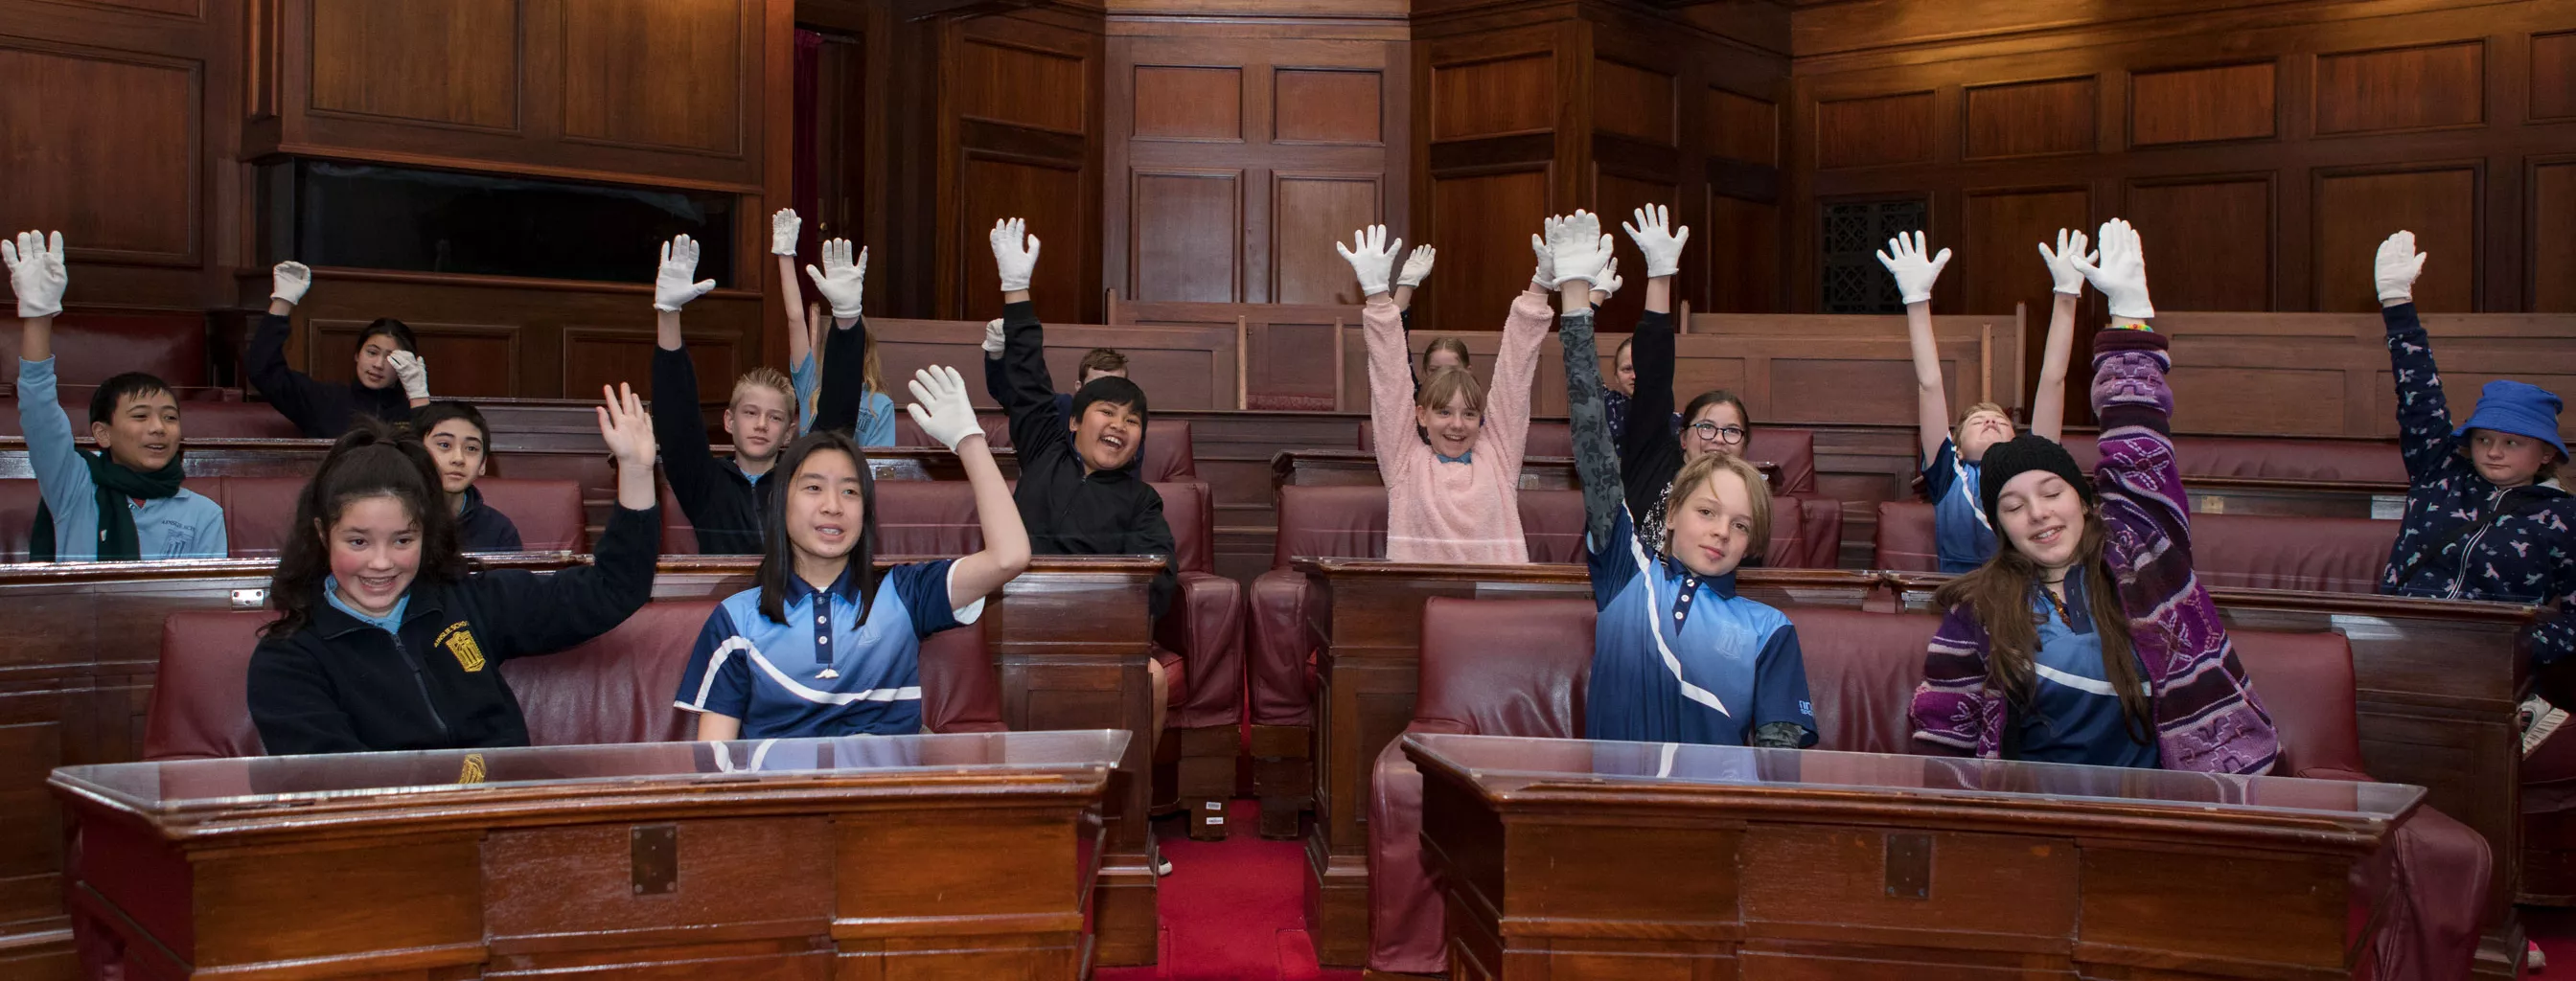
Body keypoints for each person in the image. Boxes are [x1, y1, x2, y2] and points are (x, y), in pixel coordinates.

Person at [1908, 218, 2278, 774]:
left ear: (2083, 500)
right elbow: (1944, 740)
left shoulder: (2144, 555)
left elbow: (2138, 447)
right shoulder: (1977, 609)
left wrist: (2131, 318)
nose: (2037, 513)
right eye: (2013, 506)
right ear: (2000, 525)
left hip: (2174, 808)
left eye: (2052, 492)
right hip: (2038, 818)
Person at [245, 384, 662, 755]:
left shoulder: (468, 599)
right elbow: (339, 796)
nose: (381, 562)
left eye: (402, 540)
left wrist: (638, 473)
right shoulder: (288, 659)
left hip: (507, 813)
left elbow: (614, 588)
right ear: (322, 534)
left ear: (427, 536)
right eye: (358, 541)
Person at [1544, 209, 1817, 748]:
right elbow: (1592, 436)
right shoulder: (1627, 573)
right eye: (1708, 512)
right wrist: (1576, 302)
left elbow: (1780, 764)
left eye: (1740, 525)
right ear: (1670, 512)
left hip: (1714, 821)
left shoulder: (1770, 629)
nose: (1722, 532)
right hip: (1609, 810)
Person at [675, 366, 1028, 739]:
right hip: (785, 794)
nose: (833, 506)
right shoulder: (737, 619)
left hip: (888, 792)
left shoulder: (904, 593)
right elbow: (716, 764)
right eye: (813, 488)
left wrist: (969, 441)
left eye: (850, 491)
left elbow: (1011, 557)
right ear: (781, 504)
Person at [980, 217, 1178, 714]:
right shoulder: (1044, 448)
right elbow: (1027, 380)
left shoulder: (1141, 501)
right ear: (1073, 422)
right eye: (1107, 412)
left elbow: (1158, 583)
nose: (1120, 425)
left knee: (1151, 680)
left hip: (1100, 632)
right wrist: (1016, 291)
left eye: (1133, 420)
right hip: (1016, 621)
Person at [2372, 230, 2576, 677]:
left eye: (2513, 442)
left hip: (2488, 666)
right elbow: (2419, 395)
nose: (2494, 452)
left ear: (2545, 455)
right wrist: (2396, 303)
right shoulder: (2440, 469)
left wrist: (2517, 648)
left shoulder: (2566, 518)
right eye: (2484, 439)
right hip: (2396, 642)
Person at [5, 230, 226, 560]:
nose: (158, 428)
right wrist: (38, 318)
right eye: (140, 416)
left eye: (169, 417)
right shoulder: (74, 487)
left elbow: (203, 607)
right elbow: (39, 409)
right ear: (102, 434)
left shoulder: (204, 514)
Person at [1345, 223, 1549, 562]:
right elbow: (1390, 383)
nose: (1458, 424)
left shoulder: (1497, 456)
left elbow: (1516, 375)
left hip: (1496, 610)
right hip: (1421, 608)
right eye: (1444, 412)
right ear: (1421, 415)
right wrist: (1379, 298)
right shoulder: (1403, 463)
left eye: (1469, 414)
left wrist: (1540, 285)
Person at [1885, 229, 2080, 573]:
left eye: (2001, 421)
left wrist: (2066, 296)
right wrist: (1916, 300)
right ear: (1956, 447)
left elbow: (2053, 381)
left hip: (2029, 593)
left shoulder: (2032, 464)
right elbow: (1929, 384)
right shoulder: (1949, 471)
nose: (1991, 421)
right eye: (1977, 422)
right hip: (1964, 597)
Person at [1606, 206, 1755, 553]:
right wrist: (1660, 275)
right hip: (1640, 598)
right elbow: (1654, 377)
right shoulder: (1655, 458)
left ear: (1745, 445)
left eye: (1731, 431)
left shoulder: (1750, 493)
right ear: (1683, 438)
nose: (1718, 439)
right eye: (1706, 427)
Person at [649, 234, 793, 554]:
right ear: (728, 420)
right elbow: (678, 417)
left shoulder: (800, 481)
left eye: (775, 417)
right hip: (724, 599)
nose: (760, 425)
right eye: (750, 412)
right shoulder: (704, 481)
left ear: (788, 432)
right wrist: (669, 313)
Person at [250, 261, 431, 437]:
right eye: (372, 352)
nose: (378, 364)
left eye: (392, 358)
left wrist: (418, 398)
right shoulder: (324, 399)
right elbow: (264, 372)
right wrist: (283, 301)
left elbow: (430, 456)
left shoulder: (414, 409)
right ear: (357, 355)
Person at [773, 212, 896, 445]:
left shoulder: (880, 405)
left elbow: (882, 466)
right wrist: (785, 255)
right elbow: (796, 320)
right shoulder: (811, 382)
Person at [410, 400, 521, 553]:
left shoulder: (499, 530)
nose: (458, 458)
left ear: (482, 465)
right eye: (444, 445)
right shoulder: (394, 518)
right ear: (416, 452)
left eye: (471, 448)